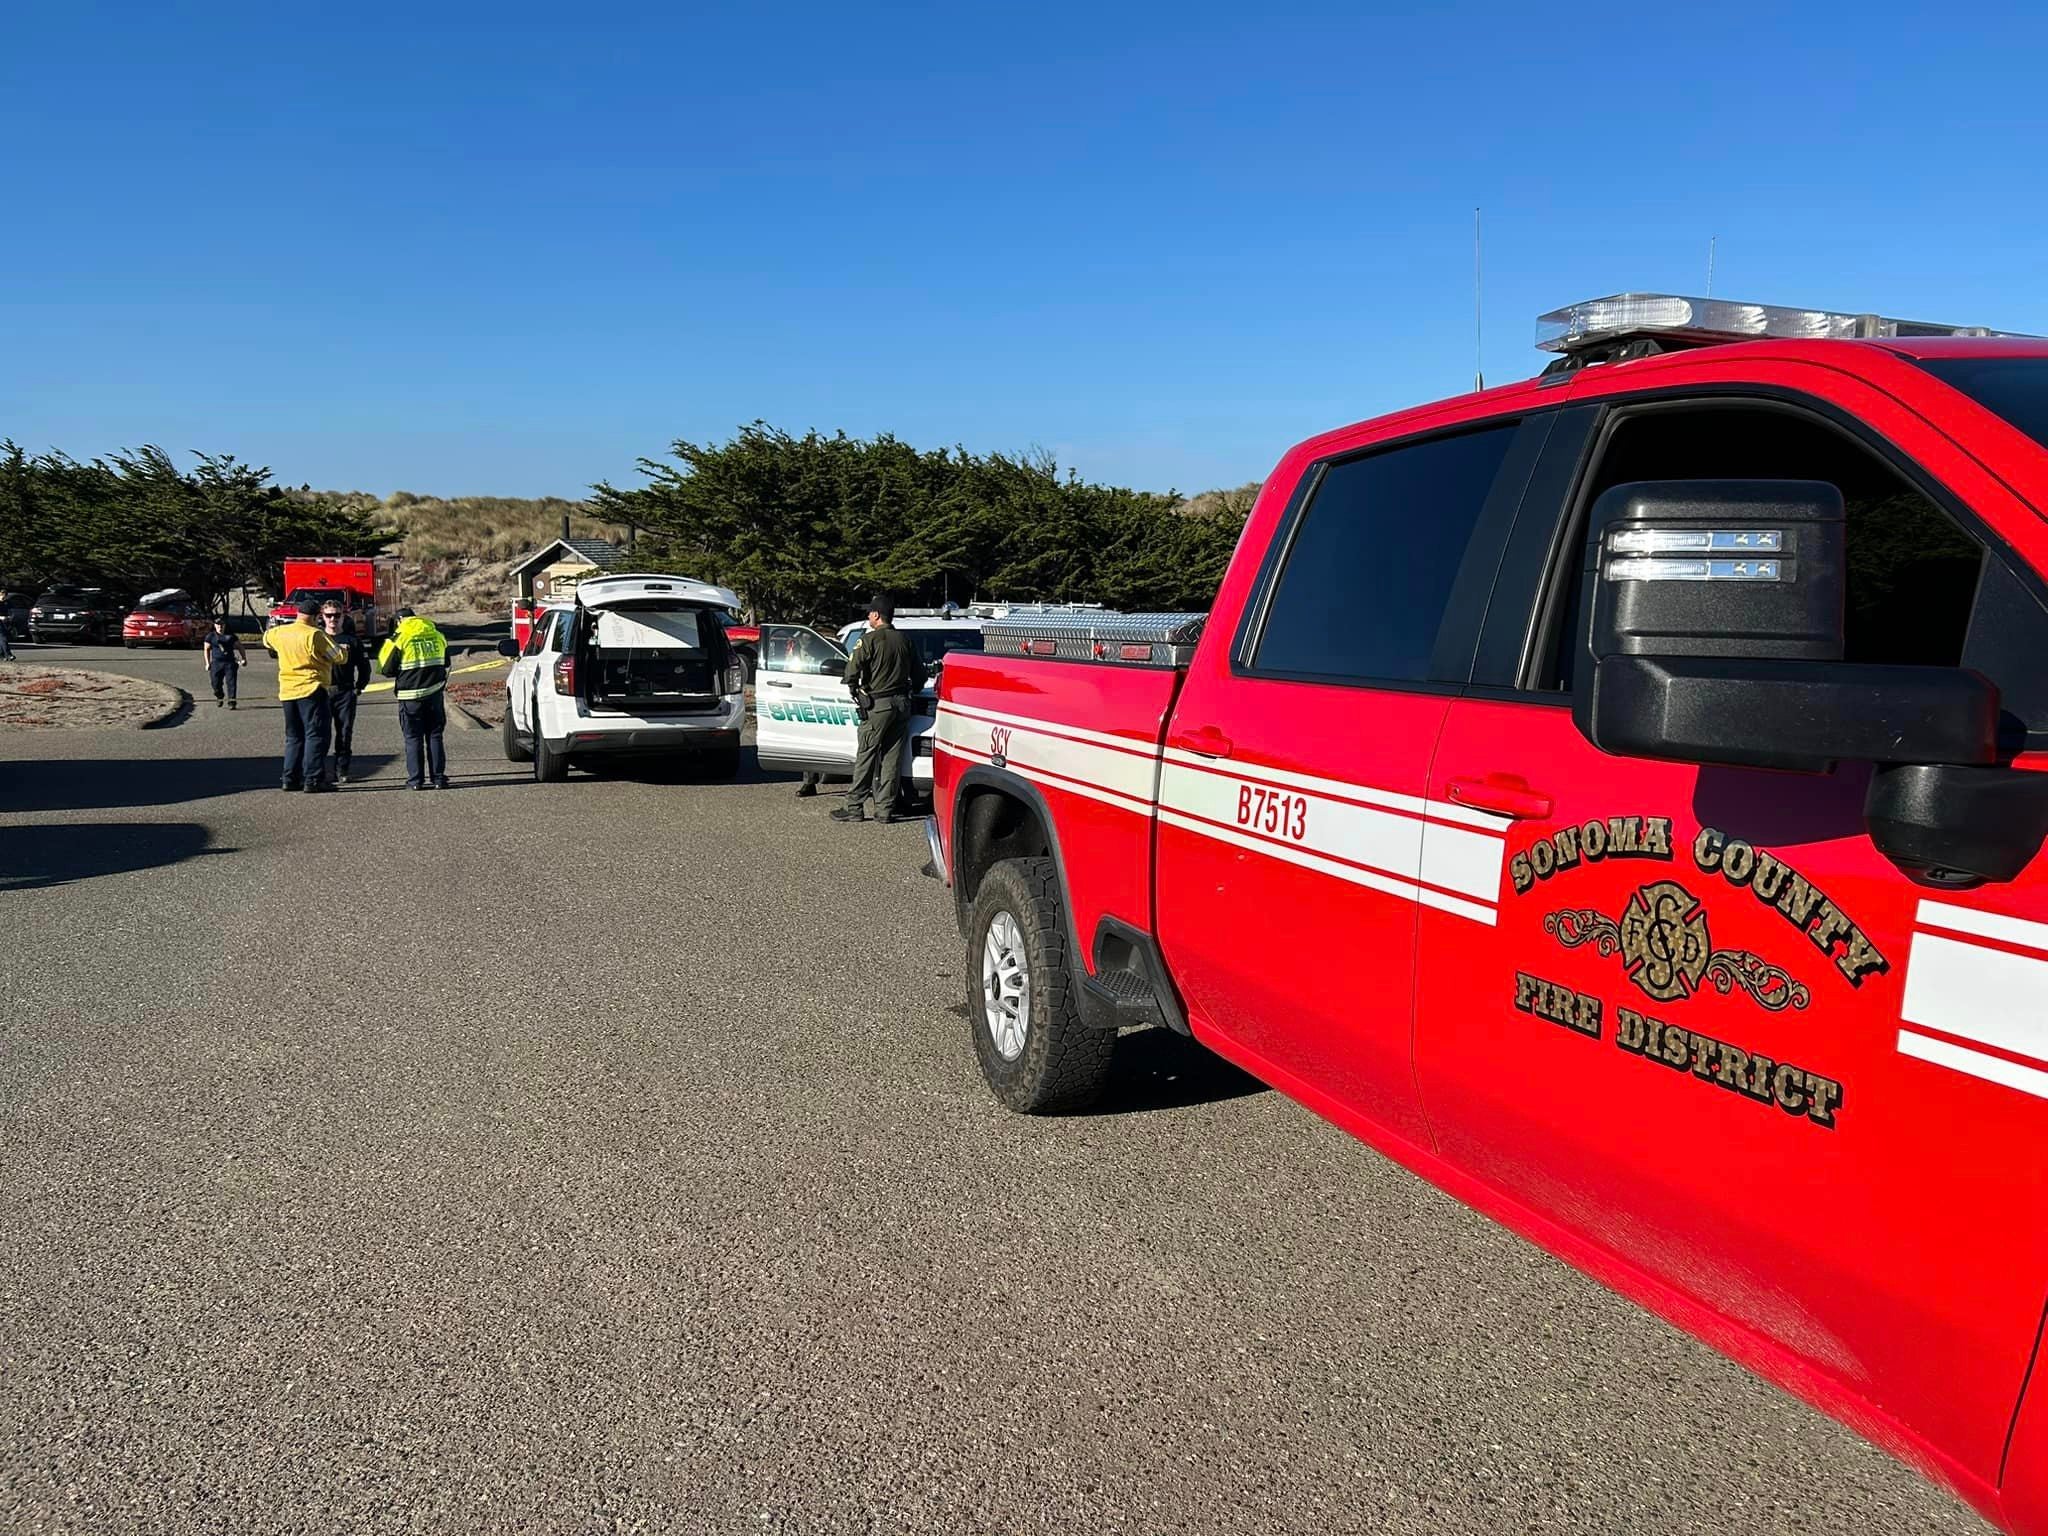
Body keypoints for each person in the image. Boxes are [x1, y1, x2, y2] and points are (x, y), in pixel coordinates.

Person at [832, 594, 925, 824]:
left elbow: (850, 672)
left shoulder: (869, 640)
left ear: (876, 615)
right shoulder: (905, 641)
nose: (867, 616)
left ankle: (854, 806)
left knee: (866, 754)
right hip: (902, 705)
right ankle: (884, 810)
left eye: (869, 612)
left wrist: (856, 690)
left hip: (878, 705)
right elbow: (920, 677)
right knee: (892, 758)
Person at [261, 601, 345, 792]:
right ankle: (313, 779)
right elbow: (339, 656)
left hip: (287, 691)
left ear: (298, 614)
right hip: (311, 688)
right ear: (317, 617)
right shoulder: (315, 635)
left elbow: (266, 639)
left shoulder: (280, 632)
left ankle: (289, 778)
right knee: (315, 735)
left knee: (294, 736)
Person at [378, 606, 451, 790]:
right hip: (434, 693)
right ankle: (439, 779)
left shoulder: (398, 639)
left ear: (399, 621)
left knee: (413, 738)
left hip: (410, 697)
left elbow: (385, 669)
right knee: (435, 736)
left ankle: (416, 781)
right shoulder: (437, 634)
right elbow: (446, 661)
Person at [320, 602, 373, 783]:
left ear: (343, 616)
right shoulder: (317, 638)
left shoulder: (352, 641)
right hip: (322, 693)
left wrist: (360, 686)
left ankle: (342, 769)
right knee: (320, 733)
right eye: (329, 615)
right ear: (322, 617)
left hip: (345, 692)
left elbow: (364, 666)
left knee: (344, 733)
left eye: (336, 615)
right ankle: (320, 770)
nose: (333, 619)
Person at [201, 615, 246, 706]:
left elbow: (240, 647)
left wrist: (244, 658)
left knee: (231, 683)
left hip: (229, 663)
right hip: (216, 663)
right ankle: (219, 696)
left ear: (225, 625)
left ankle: (232, 701)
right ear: (214, 625)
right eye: (218, 625)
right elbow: (206, 649)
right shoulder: (211, 636)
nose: (220, 627)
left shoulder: (231, 636)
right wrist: (207, 663)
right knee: (215, 683)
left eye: (222, 625)